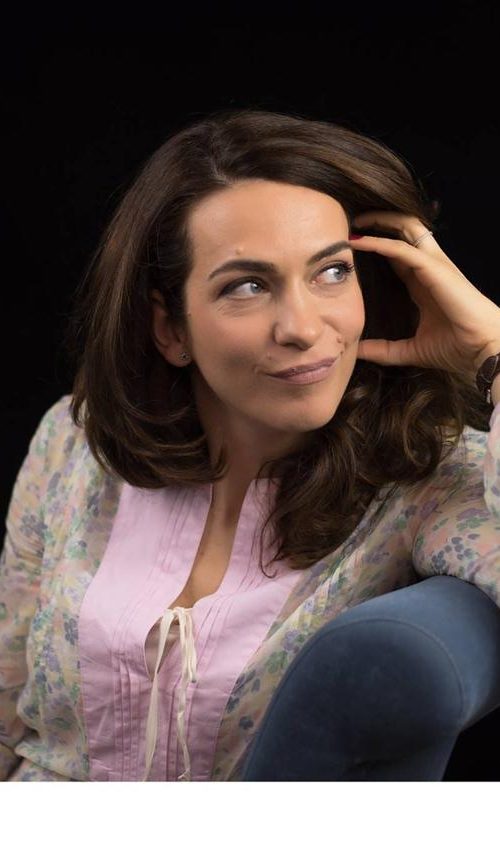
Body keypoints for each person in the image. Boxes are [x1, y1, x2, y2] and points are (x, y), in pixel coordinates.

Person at [1, 107, 499, 782]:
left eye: (331, 271)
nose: (302, 327)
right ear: (170, 328)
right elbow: (7, 707)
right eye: (248, 285)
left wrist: (493, 351)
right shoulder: (74, 441)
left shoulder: (429, 473)